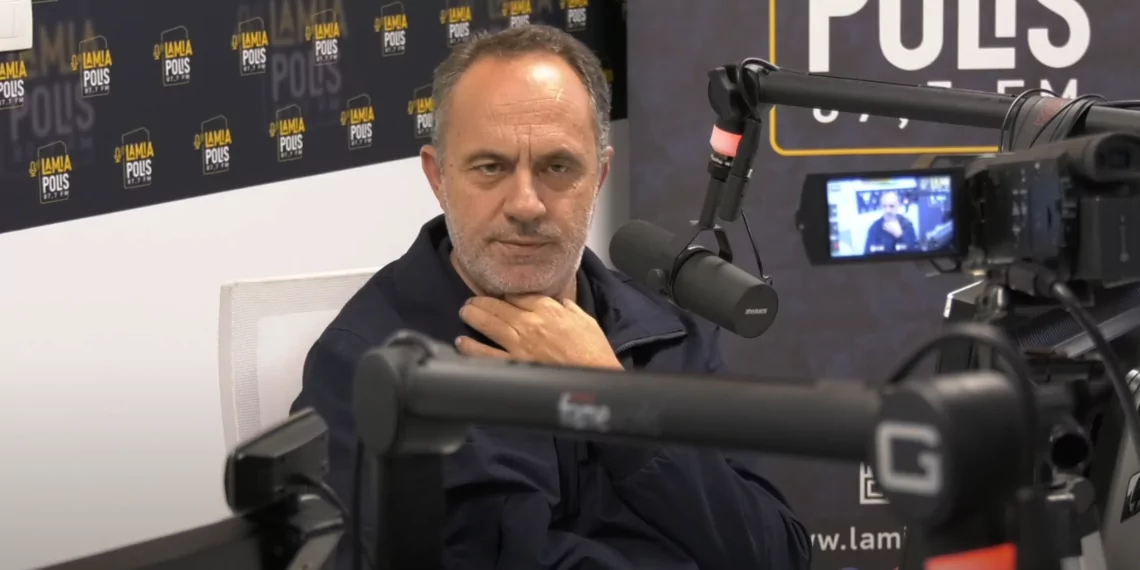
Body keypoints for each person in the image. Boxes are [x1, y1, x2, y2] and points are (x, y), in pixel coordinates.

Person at [292, 24, 810, 570]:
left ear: (600, 175)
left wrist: (615, 402)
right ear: (438, 177)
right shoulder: (363, 361)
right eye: (491, 167)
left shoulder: (670, 334)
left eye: (557, 167)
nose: (526, 204)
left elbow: (776, 555)